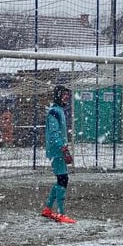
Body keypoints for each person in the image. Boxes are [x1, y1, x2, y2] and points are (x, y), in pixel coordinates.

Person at [42, 85, 76, 224]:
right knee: (63, 179)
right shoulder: (54, 112)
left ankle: (48, 209)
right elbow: (54, 133)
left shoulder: (58, 110)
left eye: (67, 94)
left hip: (58, 150)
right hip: (57, 151)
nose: (66, 97)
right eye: (63, 94)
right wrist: (62, 147)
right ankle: (61, 213)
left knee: (61, 179)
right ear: (58, 96)